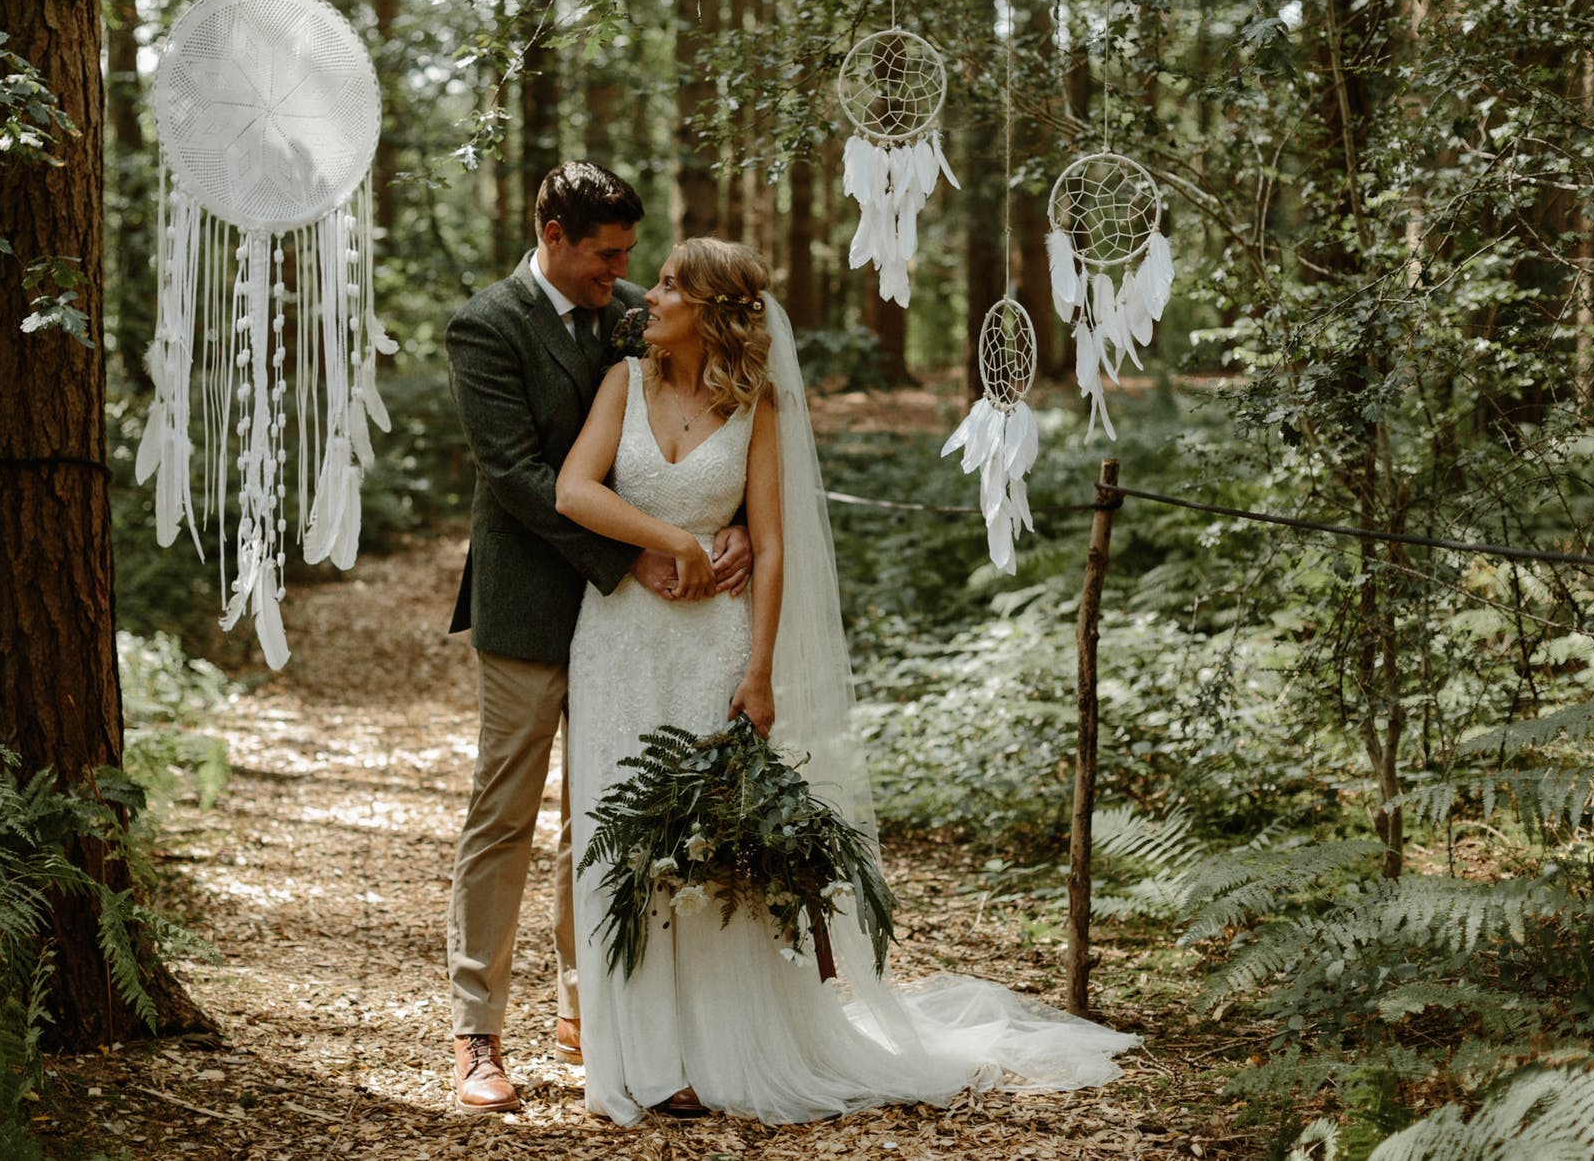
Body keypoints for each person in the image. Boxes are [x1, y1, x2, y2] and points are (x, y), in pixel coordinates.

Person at [555, 237, 1141, 1124]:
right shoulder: (621, 384)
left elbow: (775, 541)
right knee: (621, 832)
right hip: (619, 642)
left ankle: (718, 1045)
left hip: (714, 640)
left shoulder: (757, 405)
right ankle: (637, 1054)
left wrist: (758, 671)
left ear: (713, 310)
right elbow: (571, 489)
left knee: (710, 843)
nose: (652, 295)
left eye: (672, 285)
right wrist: (671, 540)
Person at [443, 162, 751, 1113]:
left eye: (627, 256)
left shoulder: (632, 311)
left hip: (640, 620)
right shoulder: (485, 325)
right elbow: (518, 475)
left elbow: (695, 417)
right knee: (506, 810)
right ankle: (477, 1033)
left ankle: (594, 1012)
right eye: (605, 254)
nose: (619, 273)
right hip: (536, 600)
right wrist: (638, 555)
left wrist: (730, 521)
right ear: (555, 236)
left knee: (606, 810)